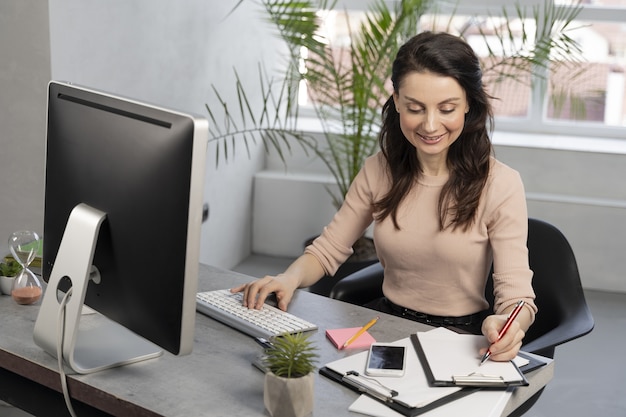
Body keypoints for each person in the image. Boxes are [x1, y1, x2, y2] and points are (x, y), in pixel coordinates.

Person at [232, 31, 537, 362]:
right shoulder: (379, 169)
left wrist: (507, 323)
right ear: (396, 102)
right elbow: (328, 249)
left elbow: (518, 297)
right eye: (415, 108)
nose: (431, 125)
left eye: (447, 108)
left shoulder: (501, 184)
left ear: (468, 105)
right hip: (386, 325)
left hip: (459, 337)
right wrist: (288, 278)